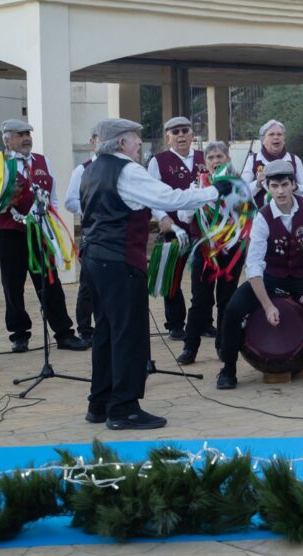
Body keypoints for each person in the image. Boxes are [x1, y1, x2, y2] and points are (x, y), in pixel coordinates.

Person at [80, 118, 224, 430]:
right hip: (119, 261)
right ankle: (124, 408)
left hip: (94, 259)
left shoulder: (90, 168)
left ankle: (99, 402)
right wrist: (213, 192)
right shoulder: (127, 170)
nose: (138, 145)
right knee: (128, 334)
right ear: (121, 143)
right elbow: (170, 199)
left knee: (105, 331)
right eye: (134, 139)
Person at [217, 161, 303, 389]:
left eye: (284, 184)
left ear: (293, 184)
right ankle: (228, 370)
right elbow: (253, 266)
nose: (280, 191)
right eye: (274, 186)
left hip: (299, 278)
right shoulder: (262, 217)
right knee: (232, 310)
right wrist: (267, 305)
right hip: (269, 278)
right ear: (268, 188)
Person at [0, 119, 89, 353]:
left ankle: (63, 333)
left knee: (50, 283)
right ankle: (19, 334)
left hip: (40, 232)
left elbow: (53, 197)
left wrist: (53, 223)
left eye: (28, 133)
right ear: (6, 139)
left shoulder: (42, 161)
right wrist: (2, 203)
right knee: (13, 285)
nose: (26, 137)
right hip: (10, 233)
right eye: (20, 134)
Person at [175, 142, 247, 365]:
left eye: (220, 156)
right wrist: (200, 196)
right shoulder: (198, 185)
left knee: (227, 300)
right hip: (205, 251)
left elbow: (247, 214)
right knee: (200, 300)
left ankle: (223, 346)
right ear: (205, 163)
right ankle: (190, 347)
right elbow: (184, 216)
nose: (216, 161)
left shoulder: (239, 185)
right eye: (211, 158)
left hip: (231, 250)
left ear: (228, 159)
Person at [146, 117, 203, 340]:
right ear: (168, 137)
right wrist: (163, 219)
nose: (181, 135)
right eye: (175, 132)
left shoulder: (202, 158)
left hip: (201, 230)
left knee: (203, 277)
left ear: (192, 134)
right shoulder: (158, 161)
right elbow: (152, 196)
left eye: (185, 131)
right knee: (172, 278)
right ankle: (176, 324)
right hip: (172, 228)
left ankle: (203, 321)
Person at [64, 130, 99, 342]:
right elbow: (70, 201)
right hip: (91, 234)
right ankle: (85, 329)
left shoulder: (123, 168)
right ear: (92, 141)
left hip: (116, 236)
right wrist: (91, 210)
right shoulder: (83, 169)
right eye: (100, 138)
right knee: (88, 284)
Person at [240, 119, 303, 205]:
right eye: (271, 134)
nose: (276, 137)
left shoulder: (294, 159)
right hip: (260, 214)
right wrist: (257, 184)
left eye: (279, 134)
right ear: (263, 140)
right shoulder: (252, 160)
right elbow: (241, 192)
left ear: (284, 139)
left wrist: (296, 188)